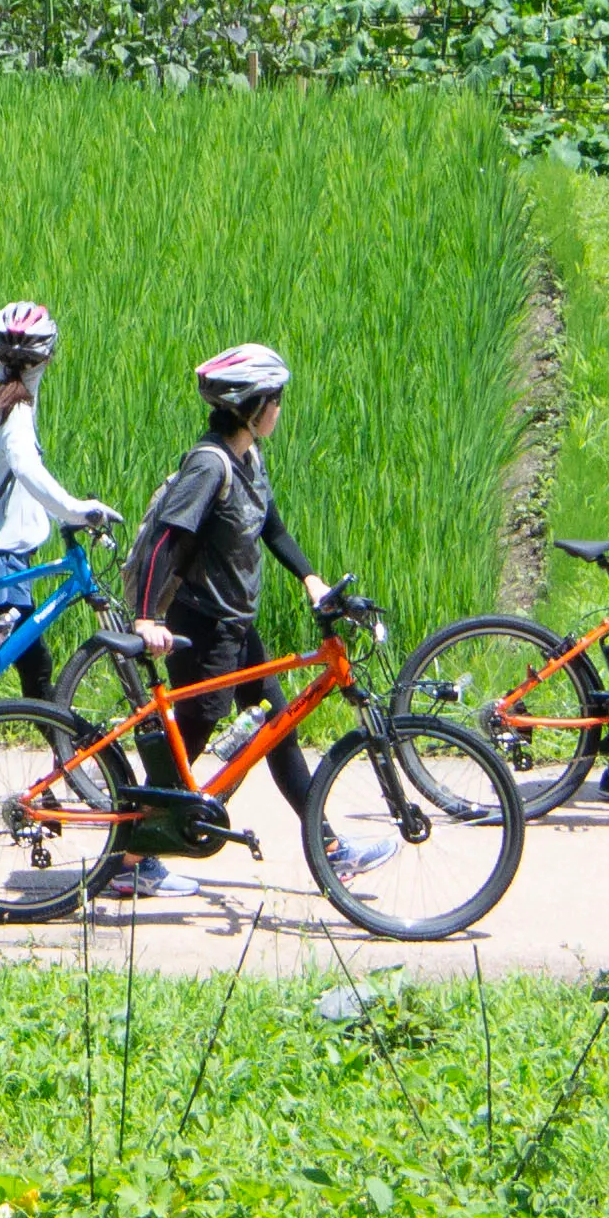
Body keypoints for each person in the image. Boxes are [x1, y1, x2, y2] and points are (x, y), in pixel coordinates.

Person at [103, 344, 396, 903]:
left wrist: (310, 578)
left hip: (238, 625)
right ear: (253, 405)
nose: (281, 410)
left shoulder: (248, 459)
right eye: (277, 401)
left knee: (277, 724)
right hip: (205, 626)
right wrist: (146, 617)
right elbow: (169, 536)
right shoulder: (209, 464)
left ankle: (328, 847)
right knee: (193, 736)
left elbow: (272, 525)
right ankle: (128, 858)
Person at [0, 301, 116, 699]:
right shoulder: (16, 410)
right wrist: (75, 509)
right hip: (0, 560)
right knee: (26, 668)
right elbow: (24, 467)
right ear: (48, 357)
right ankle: (63, 754)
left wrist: (62, 514)